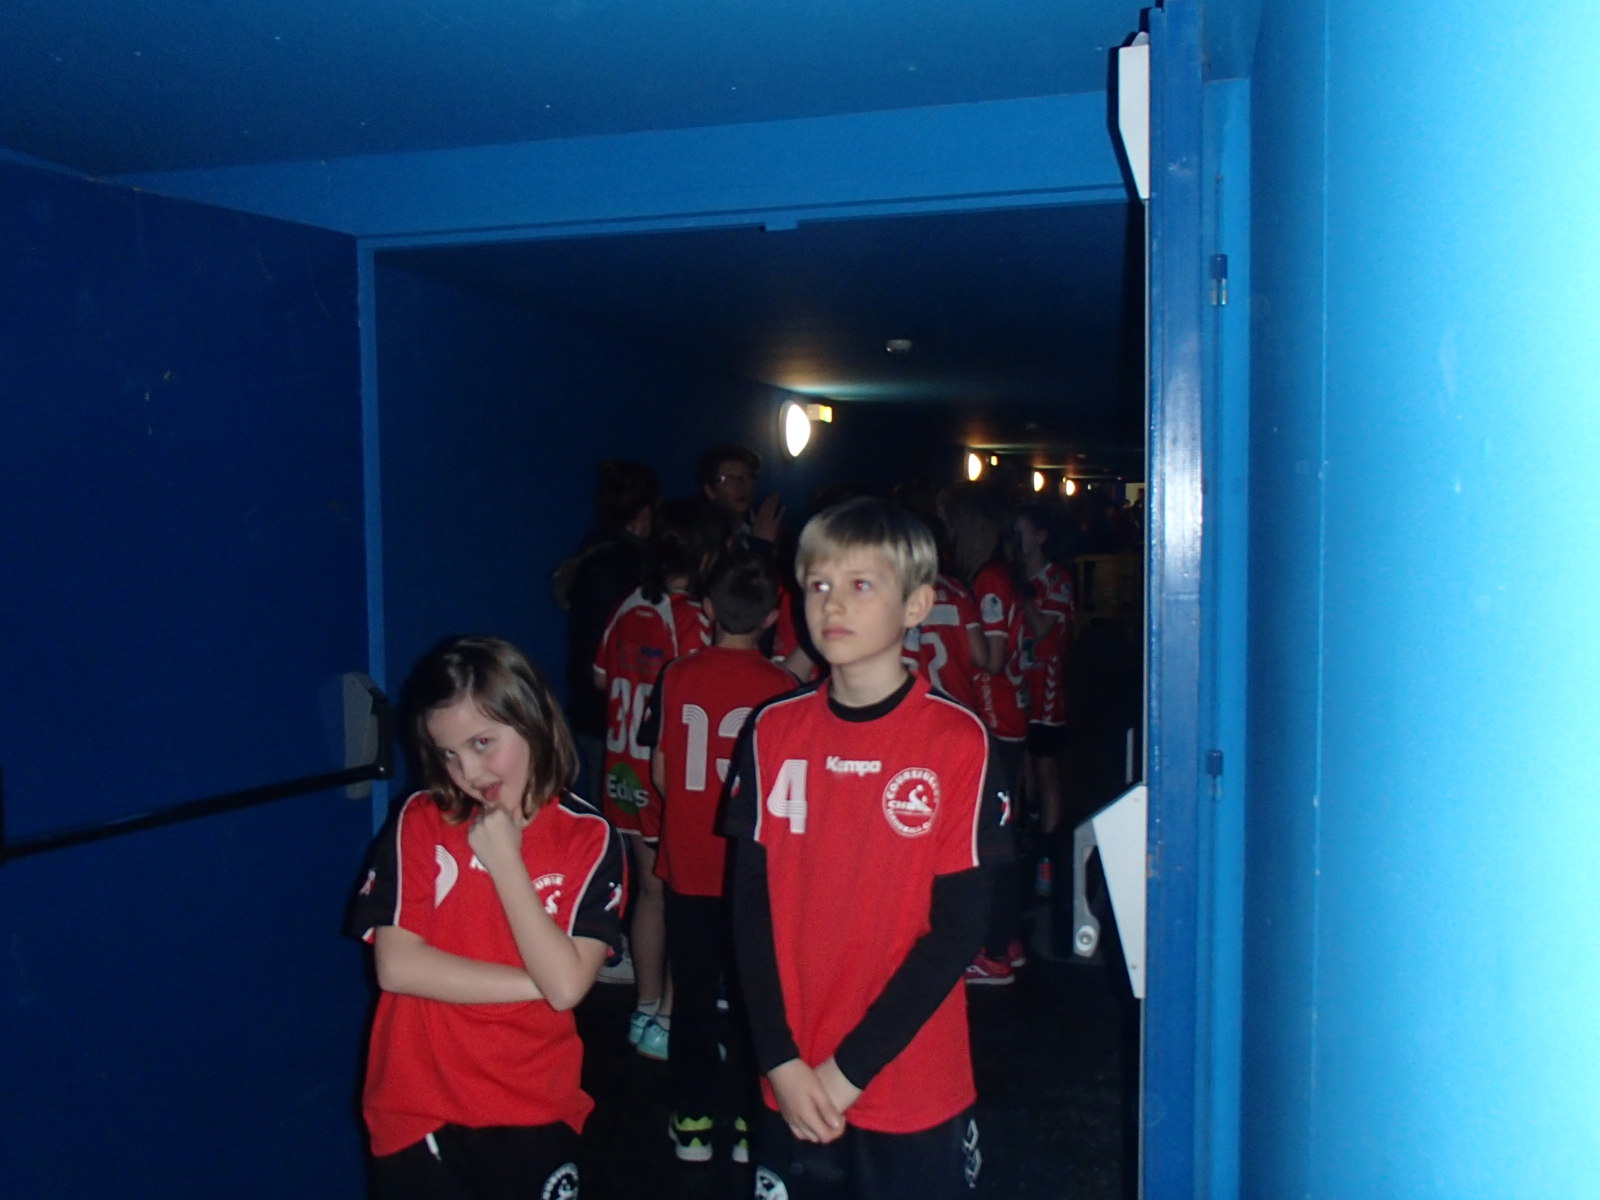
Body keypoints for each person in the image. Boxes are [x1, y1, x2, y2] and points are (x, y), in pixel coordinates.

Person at [722, 497, 1013, 1198]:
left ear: (916, 605)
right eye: (819, 584)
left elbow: (957, 933)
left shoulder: (957, 743)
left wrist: (848, 1071)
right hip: (793, 1075)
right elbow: (748, 909)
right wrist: (779, 1059)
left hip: (909, 1082)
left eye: (860, 585)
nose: (832, 605)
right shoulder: (771, 730)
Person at [349, 636, 626, 1200]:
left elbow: (569, 986)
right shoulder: (420, 819)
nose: (468, 771)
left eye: (482, 743)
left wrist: (505, 862)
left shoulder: (588, 837)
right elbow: (397, 967)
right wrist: (540, 982)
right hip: (420, 1106)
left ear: (532, 720)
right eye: (448, 753)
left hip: (534, 1102)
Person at [641, 552, 797, 1163]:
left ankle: (694, 1123)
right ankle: (751, 1126)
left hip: (689, 866)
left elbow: (661, 771)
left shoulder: (678, 674)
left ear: (707, 608)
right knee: (758, 999)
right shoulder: (782, 688)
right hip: (754, 873)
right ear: (771, 617)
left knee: (695, 998)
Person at [593, 496, 726, 1058]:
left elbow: (602, 679)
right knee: (680, 897)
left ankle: (646, 1009)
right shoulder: (691, 618)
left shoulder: (629, 604)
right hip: (662, 773)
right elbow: (695, 693)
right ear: (705, 554)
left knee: (649, 892)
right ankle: (671, 1019)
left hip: (620, 766)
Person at [559, 459, 660, 806]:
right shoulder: (626, 566)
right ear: (646, 510)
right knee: (623, 808)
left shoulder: (595, 555)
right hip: (618, 710)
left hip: (595, 708)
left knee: (609, 803)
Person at [697, 443, 784, 550]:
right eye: (727, 480)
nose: (739, 486)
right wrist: (761, 545)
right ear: (710, 490)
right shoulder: (698, 536)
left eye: (744, 477)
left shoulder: (752, 531)